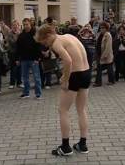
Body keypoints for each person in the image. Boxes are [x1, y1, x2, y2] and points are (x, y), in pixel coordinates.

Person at [36, 24, 91, 156]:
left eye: (44, 41)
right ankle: (82, 145)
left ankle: (65, 147)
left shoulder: (56, 42)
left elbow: (68, 60)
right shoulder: (69, 36)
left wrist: (65, 79)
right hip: (86, 72)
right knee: (81, 109)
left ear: (49, 35)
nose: (46, 45)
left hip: (75, 75)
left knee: (63, 110)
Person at [16, 18, 42, 99]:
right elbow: (18, 48)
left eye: (27, 24)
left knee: (36, 77)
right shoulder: (21, 35)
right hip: (24, 59)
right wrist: (17, 59)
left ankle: (38, 94)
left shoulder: (34, 34)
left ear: (30, 24)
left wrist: (37, 58)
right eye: (24, 25)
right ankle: (26, 93)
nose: (25, 26)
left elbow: (38, 46)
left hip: (33, 59)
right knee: (25, 77)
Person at [94, 21, 115, 87]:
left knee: (109, 68)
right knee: (100, 68)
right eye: (101, 28)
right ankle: (99, 82)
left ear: (106, 28)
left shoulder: (108, 35)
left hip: (106, 55)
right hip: (100, 53)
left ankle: (110, 81)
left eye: (103, 28)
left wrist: (104, 55)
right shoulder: (100, 34)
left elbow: (108, 47)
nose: (101, 29)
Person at [6, 20, 22, 89]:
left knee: (19, 68)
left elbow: (22, 43)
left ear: (18, 26)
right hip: (12, 53)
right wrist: (18, 36)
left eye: (16, 25)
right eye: (14, 25)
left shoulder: (21, 33)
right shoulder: (10, 33)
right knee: (13, 68)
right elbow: (13, 43)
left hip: (19, 53)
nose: (15, 26)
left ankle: (19, 82)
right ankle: (12, 83)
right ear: (12, 26)